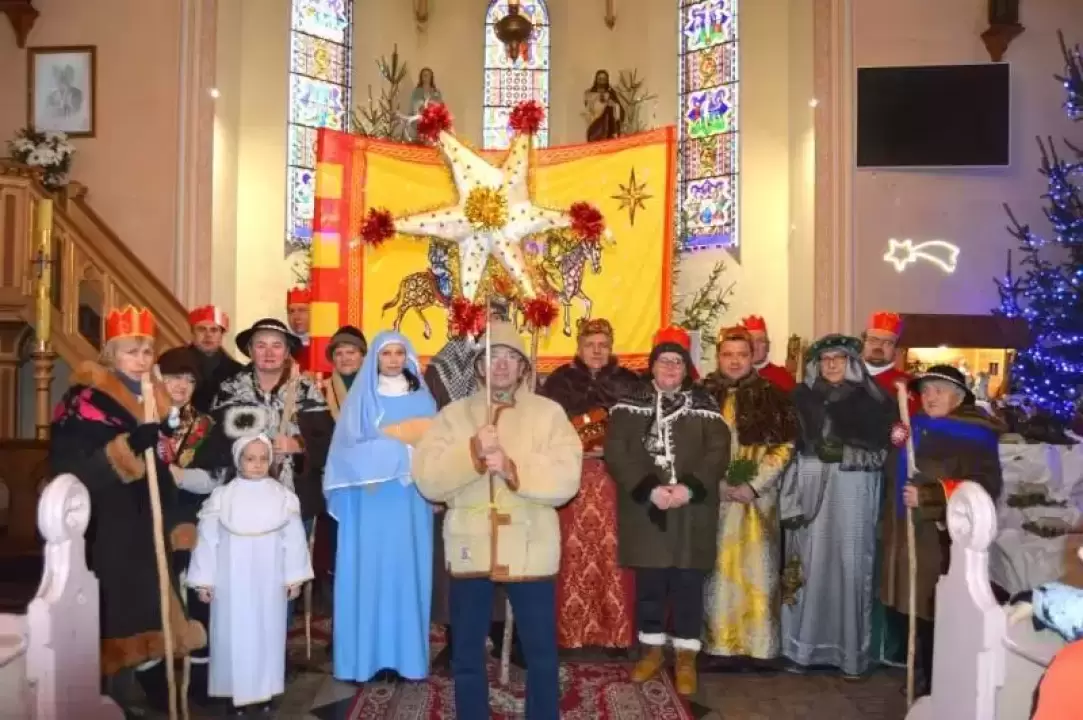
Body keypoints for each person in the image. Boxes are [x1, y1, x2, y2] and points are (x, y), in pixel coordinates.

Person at [413, 320, 582, 720]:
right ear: (478, 366)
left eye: (510, 357)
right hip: (470, 544)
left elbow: (567, 477)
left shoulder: (549, 414)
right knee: (466, 651)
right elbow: (427, 478)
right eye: (492, 356)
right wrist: (471, 452)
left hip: (530, 544)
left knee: (541, 652)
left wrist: (511, 468)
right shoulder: (454, 416)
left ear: (524, 367)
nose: (501, 365)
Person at [49, 306, 206, 712]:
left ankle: (159, 690)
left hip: (149, 520)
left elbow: (163, 468)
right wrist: (128, 447)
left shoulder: (154, 398)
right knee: (117, 612)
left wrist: (175, 520)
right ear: (111, 354)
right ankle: (109, 697)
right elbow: (73, 468)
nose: (141, 360)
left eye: (147, 352)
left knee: (155, 605)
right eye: (131, 352)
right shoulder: (85, 401)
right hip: (109, 523)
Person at [604, 325, 729, 696]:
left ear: (686, 368)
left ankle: (687, 657)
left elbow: (718, 452)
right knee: (651, 584)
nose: (671, 368)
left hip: (693, 510)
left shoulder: (706, 405)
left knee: (688, 584)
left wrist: (689, 488)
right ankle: (652, 651)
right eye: (664, 361)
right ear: (652, 366)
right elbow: (617, 451)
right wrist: (650, 489)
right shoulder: (629, 405)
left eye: (677, 362)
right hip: (647, 510)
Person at [880, 365, 1003, 697]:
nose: (929, 397)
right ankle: (925, 677)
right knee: (920, 615)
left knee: (940, 613)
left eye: (938, 391)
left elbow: (985, 486)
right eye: (926, 391)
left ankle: (942, 687)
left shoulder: (974, 434)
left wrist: (930, 496)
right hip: (910, 537)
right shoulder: (918, 425)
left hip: (944, 542)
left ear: (958, 397)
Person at [323, 331, 437, 682]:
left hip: (409, 502)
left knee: (406, 575)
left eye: (399, 352)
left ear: (408, 357)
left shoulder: (423, 399)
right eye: (386, 353)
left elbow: (435, 446)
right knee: (368, 575)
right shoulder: (362, 399)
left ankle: (406, 659)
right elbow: (346, 452)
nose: (393, 359)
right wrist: (400, 449)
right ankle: (365, 660)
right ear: (375, 358)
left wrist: (394, 444)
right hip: (369, 502)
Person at [780, 334, 895, 678]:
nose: (831, 365)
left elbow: (882, 455)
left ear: (852, 363)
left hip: (853, 490)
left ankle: (849, 655)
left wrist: (846, 454)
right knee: (808, 563)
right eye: (825, 359)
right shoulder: (800, 398)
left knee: (851, 564)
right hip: (809, 487)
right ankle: (801, 649)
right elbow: (786, 448)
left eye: (839, 358)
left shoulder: (873, 400)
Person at [187, 434, 313, 714]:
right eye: (250, 458)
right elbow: (207, 540)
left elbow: (294, 540)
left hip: (269, 580)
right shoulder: (222, 497)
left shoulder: (283, 497)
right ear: (239, 460)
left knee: (267, 633)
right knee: (232, 635)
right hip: (230, 581)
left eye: (263, 459)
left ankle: (264, 692)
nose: (257, 464)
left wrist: (294, 577)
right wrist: (204, 581)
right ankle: (234, 694)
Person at [540, 318, 638, 652]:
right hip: (573, 479)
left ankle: (616, 633)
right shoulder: (560, 381)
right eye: (590, 345)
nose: (597, 351)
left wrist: (613, 447)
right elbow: (547, 428)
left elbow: (640, 429)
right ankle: (570, 631)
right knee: (572, 552)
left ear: (611, 348)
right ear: (579, 348)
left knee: (613, 553)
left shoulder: (629, 383)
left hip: (615, 479)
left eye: (603, 345)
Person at [702, 325, 797, 663]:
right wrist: (714, 484)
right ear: (718, 357)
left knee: (758, 570)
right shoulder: (701, 395)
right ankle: (718, 645)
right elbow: (688, 448)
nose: (735, 361)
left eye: (742, 354)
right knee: (716, 571)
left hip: (757, 501)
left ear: (752, 356)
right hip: (714, 500)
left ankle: (760, 648)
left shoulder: (772, 395)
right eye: (728, 354)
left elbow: (784, 447)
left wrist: (754, 485)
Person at [157, 345, 222, 706]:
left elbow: (214, 478)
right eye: (173, 377)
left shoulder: (205, 426)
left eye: (189, 379)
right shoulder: (142, 420)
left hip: (192, 524)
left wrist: (175, 475)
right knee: (154, 599)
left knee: (196, 600)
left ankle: (198, 680)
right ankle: (155, 680)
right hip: (145, 522)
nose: (181, 385)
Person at [186, 305, 243, 414]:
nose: (208, 335)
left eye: (214, 330)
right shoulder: (173, 362)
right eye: (202, 329)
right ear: (192, 332)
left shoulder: (237, 371)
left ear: (222, 334)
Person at [321, 325, 367, 420]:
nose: (345, 358)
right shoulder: (321, 390)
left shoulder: (379, 387)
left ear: (363, 356)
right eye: (338, 353)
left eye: (351, 352)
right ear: (333, 359)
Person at [742, 315, 796, 392]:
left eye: (760, 341)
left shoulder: (782, 376)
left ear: (767, 346)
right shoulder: (737, 374)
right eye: (750, 341)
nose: (755, 346)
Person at [584, 69, 623, 142]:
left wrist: (614, 105)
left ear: (607, 80)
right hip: (594, 125)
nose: (602, 81)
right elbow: (587, 108)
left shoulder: (611, 92)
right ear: (596, 79)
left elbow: (618, 109)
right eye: (600, 79)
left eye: (604, 79)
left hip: (608, 128)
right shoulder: (589, 93)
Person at [407, 67, 443, 143]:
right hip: (419, 122)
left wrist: (431, 108)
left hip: (433, 122)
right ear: (421, 77)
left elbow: (440, 107)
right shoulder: (416, 91)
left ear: (431, 77)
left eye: (427, 75)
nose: (425, 77)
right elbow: (413, 107)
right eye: (424, 75)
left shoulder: (436, 92)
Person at [286, 288, 312, 373]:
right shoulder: (282, 346)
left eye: (302, 310)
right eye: (291, 311)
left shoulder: (326, 346)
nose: (296, 316)